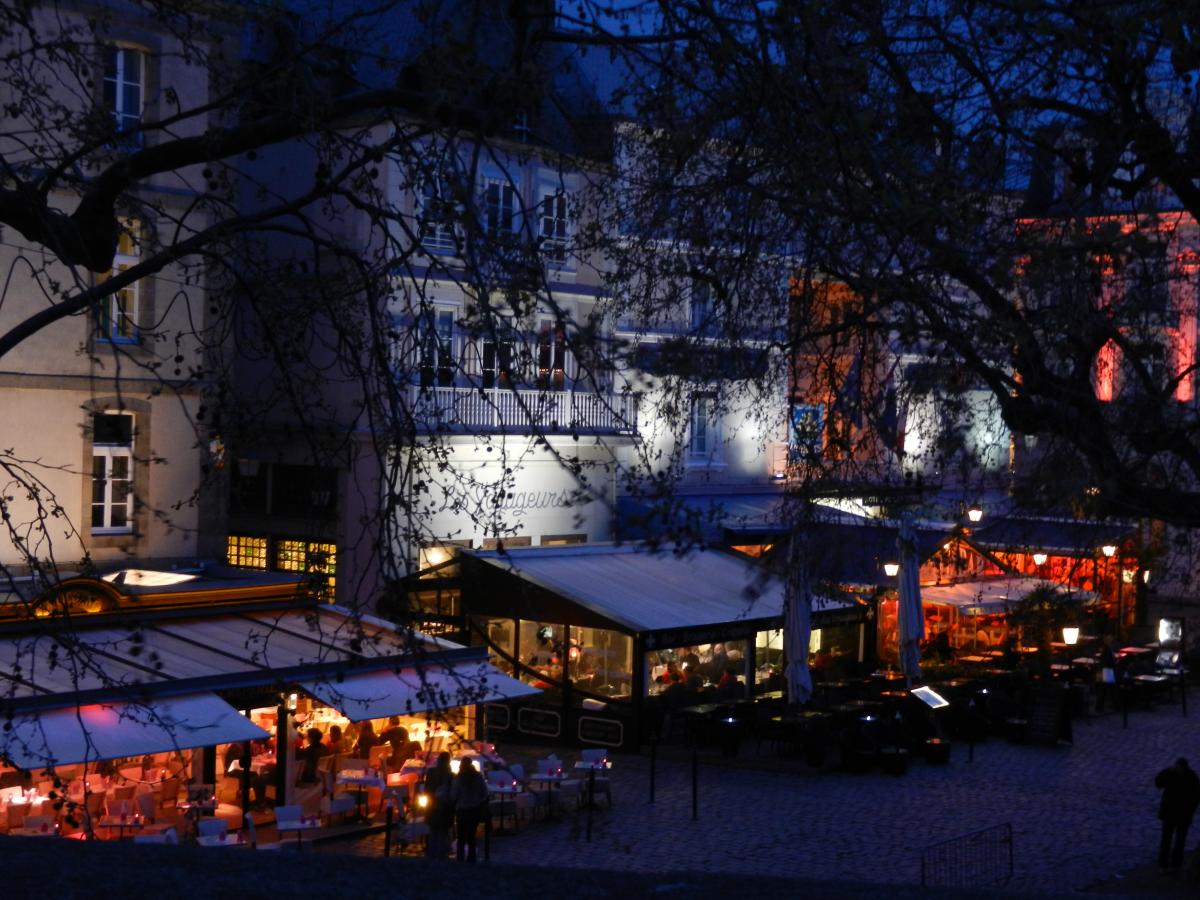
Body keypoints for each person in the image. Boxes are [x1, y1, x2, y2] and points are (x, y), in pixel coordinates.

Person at [1154, 757, 1200, 872]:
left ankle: (1172, 865)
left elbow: (1196, 797)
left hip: (1179, 814)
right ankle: (1166, 865)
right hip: (1175, 814)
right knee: (1168, 840)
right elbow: (1158, 783)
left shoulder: (1189, 777)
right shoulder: (1188, 776)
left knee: (1177, 841)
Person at [450, 760, 490, 862]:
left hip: (462, 810)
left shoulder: (458, 779)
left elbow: (454, 795)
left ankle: (460, 859)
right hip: (475, 810)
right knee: (471, 837)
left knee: (461, 837)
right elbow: (485, 793)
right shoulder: (478, 777)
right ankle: (472, 859)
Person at [424, 751, 454, 859]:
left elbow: (427, 789)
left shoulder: (431, 772)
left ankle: (432, 853)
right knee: (443, 833)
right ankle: (442, 854)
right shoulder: (450, 774)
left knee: (433, 832)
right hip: (444, 808)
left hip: (432, 806)